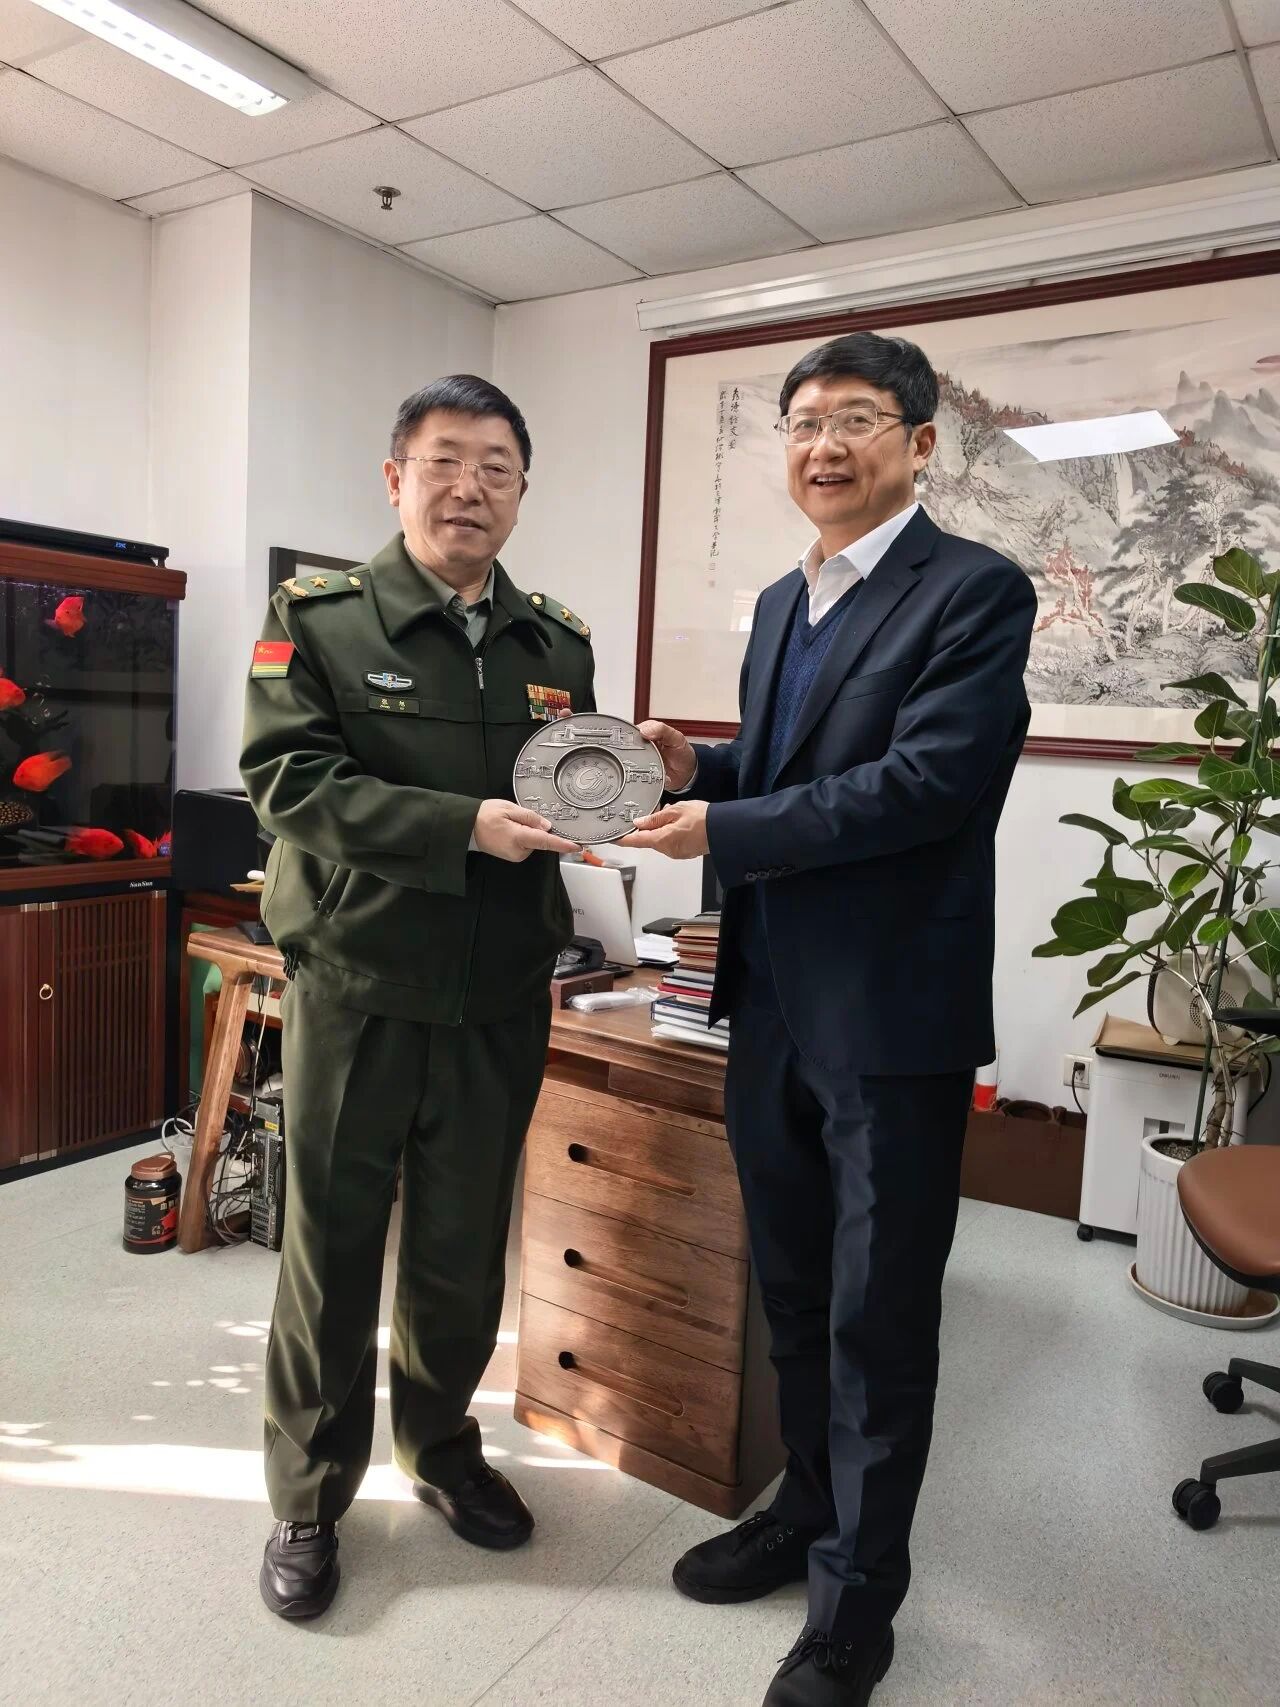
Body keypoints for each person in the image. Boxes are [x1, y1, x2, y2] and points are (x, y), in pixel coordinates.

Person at [622, 332, 1036, 1707]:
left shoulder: (973, 591)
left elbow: (926, 783)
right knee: (793, 1288)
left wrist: (726, 823)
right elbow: (792, 764)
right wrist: (702, 763)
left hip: (893, 1018)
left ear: (918, 443)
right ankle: (803, 1508)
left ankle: (857, 1605)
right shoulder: (783, 600)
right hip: (771, 1003)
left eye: (855, 419)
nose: (823, 445)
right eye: (802, 422)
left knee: (878, 1315)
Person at [240, 374, 594, 1619]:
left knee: (459, 1248)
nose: (468, 489)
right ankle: (306, 1496)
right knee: (331, 1252)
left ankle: (440, 1450)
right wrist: (460, 828)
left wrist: (626, 787)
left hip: (499, 995)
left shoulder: (556, 643)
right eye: (444, 462)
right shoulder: (321, 621)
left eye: (496, 468)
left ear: (521, 492)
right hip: (360, 987)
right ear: (395, 480)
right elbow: (287, 782)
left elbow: (566, 786)